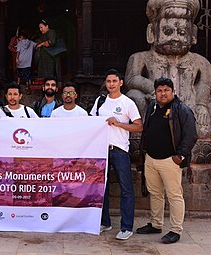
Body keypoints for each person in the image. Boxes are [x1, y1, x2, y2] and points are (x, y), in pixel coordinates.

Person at [124, 0, 211, 138]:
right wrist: (153, 89)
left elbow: (204, 84)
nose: (175, 37)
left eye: (182, 32)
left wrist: (202, 105)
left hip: (189, 107)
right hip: (153, 105)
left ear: (193, 34)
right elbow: (132, 79)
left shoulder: (201, 62)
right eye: (168, 31)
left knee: (202, 131)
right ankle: (141, 134)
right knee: (134, 95)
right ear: (151, 32)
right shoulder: (140, 58)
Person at [136, 77, 197, 244]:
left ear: (173, 92)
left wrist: (180, 156)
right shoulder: (152, 108)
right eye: (159, 91)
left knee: (174, 195)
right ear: (155, 93)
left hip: (170, 160)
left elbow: (191, 135)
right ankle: (156, 224)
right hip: (151, 158)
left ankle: (176, 230)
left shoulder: (181, 109)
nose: (163, 93)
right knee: (155, 194)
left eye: (166, 90)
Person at [89, 69, 143, 240]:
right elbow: (91, 121)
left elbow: (139, 126)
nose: (111, 84)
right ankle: (105, 222)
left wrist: (119, 124)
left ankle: (126, 227)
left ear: (121, 82)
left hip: (120, 150)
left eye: (114, 81)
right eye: (108, 81)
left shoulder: (128, 103)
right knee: (101, 188)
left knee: (126, 189)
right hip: (101, 150)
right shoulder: (100, 101)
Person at [16, 30, 37, 94]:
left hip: (21, 59)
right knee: (27, 74)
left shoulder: (19, 43)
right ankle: (27, 87)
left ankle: (18, 84)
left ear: (21, 37)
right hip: (28, 61)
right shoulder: (31, 43)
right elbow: (37, 46)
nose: (19, 39)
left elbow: (18, 52)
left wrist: (16, 59)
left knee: (19, 73)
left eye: (19, 37)